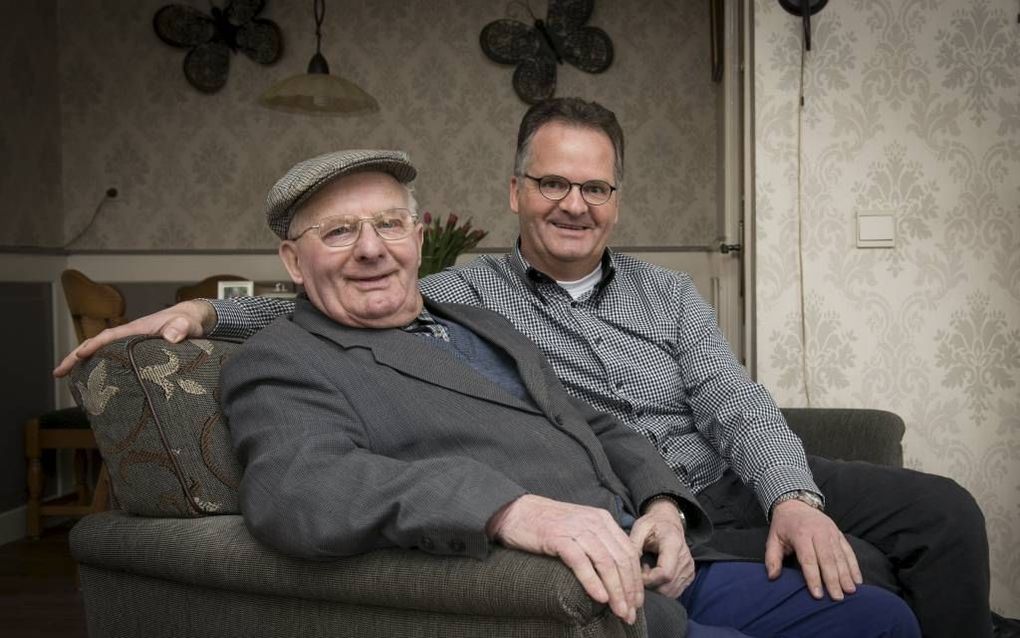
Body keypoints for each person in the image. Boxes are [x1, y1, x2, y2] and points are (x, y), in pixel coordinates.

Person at [56, 99, 1005, 638]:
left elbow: (723, 400)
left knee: (927, 542)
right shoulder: (467, 294)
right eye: (553, 183)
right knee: (865, 600)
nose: (574, 204)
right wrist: (208, 310)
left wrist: (753, 495)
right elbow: (340, 340)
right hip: (597, 546)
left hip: (698, 493)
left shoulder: (633, 300)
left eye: (595, 188)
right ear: (516, 192)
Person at [219, 147, 918, 637]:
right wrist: (509, 510)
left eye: (389, 224)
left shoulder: (474, 319)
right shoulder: (283, 357)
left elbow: (601, 426)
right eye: (338, 232)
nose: (371, 249)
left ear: (417, 234)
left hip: (656, 561)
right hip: (563, 600)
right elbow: (297, 488)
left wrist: (665, 507)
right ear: (292, 259)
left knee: (880, 618)